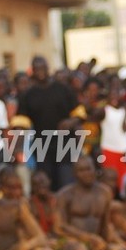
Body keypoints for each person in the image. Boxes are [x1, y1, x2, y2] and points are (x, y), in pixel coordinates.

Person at [56, 156, 126, 250]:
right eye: (81, 170)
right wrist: (88, 238)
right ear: (74, 174)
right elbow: (59, 227)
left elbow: (105, 224)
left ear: (95, 169)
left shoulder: (104, 192)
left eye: (88, 169)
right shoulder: (65, 195)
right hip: (74, 241)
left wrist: (106, 243)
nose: (86, 173)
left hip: (96, 242)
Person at [17, 56, 78, 191]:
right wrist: (17, 147)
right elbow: (22, 122)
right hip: (42, 146)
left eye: (42, 67)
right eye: (36, 68)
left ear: (47, 68)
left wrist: (71, 121)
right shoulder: (28, 95)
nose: (40, 71)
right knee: (47, 185)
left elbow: (79, 113)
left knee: (66, 183)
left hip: (65, 144)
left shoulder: (63, 89)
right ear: (32, 71)